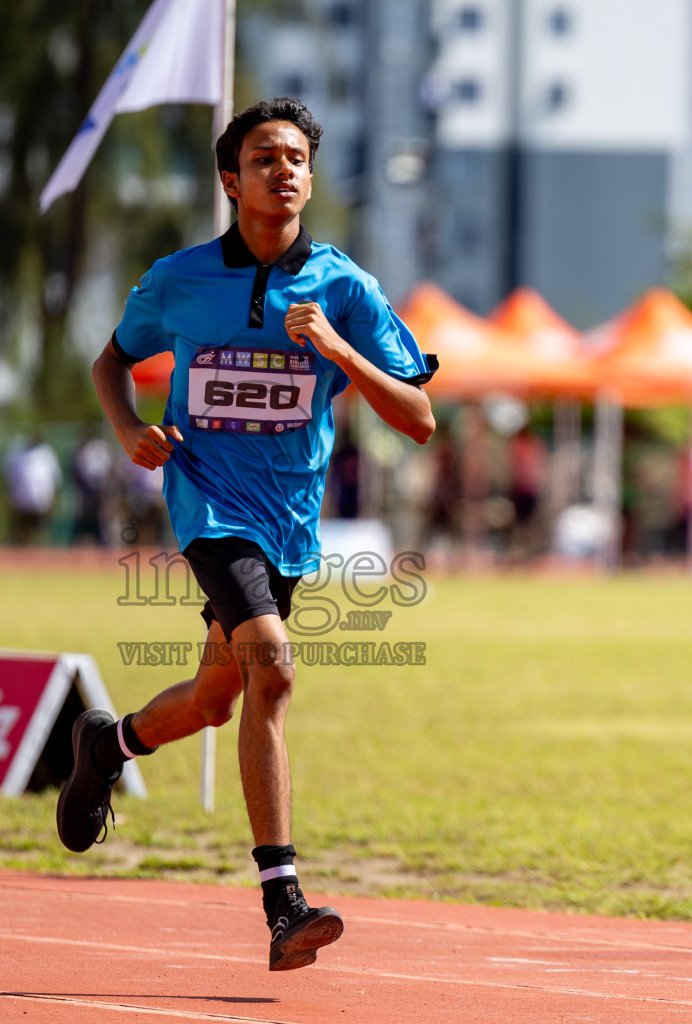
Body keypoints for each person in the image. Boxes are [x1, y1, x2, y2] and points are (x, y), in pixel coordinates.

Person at [56, 99, 437, 971]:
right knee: (274, 664)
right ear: (232, 181)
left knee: (216, 698)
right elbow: (111, 359)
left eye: (297, 157)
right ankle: (283, 901)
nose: (285, 170)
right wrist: (126, 429)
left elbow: (418, 417)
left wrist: (342, 352)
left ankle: (104, 744)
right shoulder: (181, 279)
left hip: (291, 526)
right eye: (265, 157)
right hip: (207, 505)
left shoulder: (345, 287)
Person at [3, 432, 61, 545]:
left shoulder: (46, 455)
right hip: (21, 499)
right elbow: (10, 478)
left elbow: (54, 479)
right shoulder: (18, 454)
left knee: (40, 530)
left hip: (40, 500)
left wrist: (52, 498)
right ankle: (21, 552)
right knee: (20, 529)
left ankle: (38, 552)